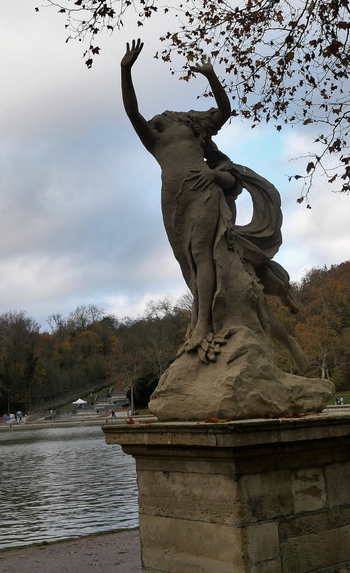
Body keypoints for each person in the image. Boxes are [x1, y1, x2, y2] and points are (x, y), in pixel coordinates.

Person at [120, 40, 306, 365]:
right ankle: (201, 316)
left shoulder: (192, 134)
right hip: (172, 200)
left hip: (202, 193)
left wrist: (210, 75)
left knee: (201, 255)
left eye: (171, 114)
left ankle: (204, 324)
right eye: (162, 114)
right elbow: (132, 112)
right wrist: (126, 70)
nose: (164, 114)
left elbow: (224, 110)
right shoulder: (154, 140)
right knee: (185, 263)